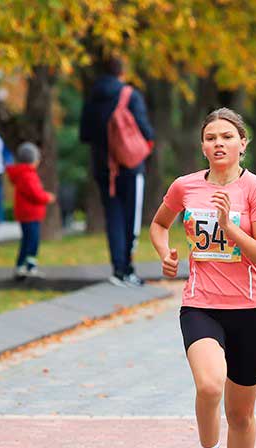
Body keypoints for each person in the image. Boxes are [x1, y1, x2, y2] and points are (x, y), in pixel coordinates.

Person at [150, 108, 256, 448]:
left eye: (227, 136)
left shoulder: (254, 189)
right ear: (203, 145)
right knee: (208, 386)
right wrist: (165, 253)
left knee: (240, 414)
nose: (218, 143)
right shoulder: (186, 186)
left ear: (243, 143)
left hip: (247, 312)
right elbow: (159, 223)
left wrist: (229, 229)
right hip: (200, 305)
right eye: (210, 137)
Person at [80, 56, 154, 287]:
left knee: (113, 216)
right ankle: (128, 269)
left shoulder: (92, 97)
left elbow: (85, 134)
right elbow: (146, 131)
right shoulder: (129, 95)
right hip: (130, 167)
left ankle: (117, 268)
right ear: (122, 72)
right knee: (131, 218)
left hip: (103, 166)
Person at [6, 142, 55, 279]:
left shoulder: (22, 174)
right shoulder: (28, 175)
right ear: (34, 160)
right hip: (31, 214)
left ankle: (23, 266)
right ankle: (28, 267)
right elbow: (35, 194)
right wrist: (47, 197)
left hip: (25, 214)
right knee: (32, 241)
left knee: (28, 240)